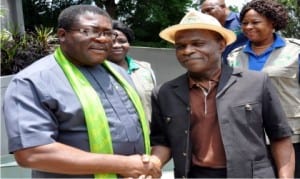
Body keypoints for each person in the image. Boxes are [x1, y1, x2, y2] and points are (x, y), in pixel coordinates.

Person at [2, 5, 161, 178]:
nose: (102, 39)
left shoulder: (119, 74)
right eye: (89, 31)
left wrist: (144, 165)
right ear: (62, 35)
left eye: (108, 33)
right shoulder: (33, 82)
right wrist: (124, 165)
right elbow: (32, 153)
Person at [148, 10, 295, 178]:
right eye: (180, 46)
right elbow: (163, 142)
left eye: (198, 43)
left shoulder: (256, 83)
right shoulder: (164, 93)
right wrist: (154, 163)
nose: (187, 51)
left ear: (221, 45)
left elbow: (280, 137)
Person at [227, 0, 300, 177]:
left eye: (255, 22)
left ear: (272, 22)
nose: (248, 27)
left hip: (292, 135)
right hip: (249, 138)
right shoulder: (233, 57)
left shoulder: (295, 52)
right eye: (244, 23)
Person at [107, 20, 156, 122]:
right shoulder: (95, 71)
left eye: (122, 41)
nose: (116, 45)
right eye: (111, 41)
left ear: (129, 43)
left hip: (147, 133)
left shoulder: (145, 69)